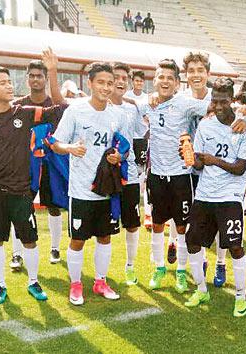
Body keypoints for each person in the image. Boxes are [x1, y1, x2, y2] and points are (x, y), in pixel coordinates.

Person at [139, 59, 246, 293]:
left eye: (170, 78)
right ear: (154, 80)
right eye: (161, 77)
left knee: (184, 226)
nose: (165, 81)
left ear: (178, 83)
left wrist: (245, 114)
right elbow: (124, 104)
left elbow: (222, 107)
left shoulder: (187, 103)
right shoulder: (147, 103)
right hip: (157, 174)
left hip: (185, 174)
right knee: (158, 223)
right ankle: (158, 268)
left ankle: (184, 270)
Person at [0, 66, 67, 305]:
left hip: (21, 190)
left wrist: (52, 72)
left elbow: (59, 110)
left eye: (10, 82)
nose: (9, 86)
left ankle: (33, 281)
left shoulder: (25, 113)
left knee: (29, 239)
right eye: (2, 83)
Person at [51, 62, 128, 305]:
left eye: (110, 83)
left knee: (105, 237)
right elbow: (56, 143)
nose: (106, 87)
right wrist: (70, 148)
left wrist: (119, 156)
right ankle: (75, 285)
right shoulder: (75, 110)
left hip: (106, 191)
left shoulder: (118, 114)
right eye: (101, 82)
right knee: (78, 239)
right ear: (91, 84)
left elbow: (123, 148)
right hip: (81, 190)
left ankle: (100, 281)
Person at [182, 78, 246, 317]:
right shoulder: (206, 125)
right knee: (192, 242)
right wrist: (192, 158)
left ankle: (241, 296)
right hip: (205, 194)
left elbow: (240, 167)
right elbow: (201, 163)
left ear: (231, 99)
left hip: (230, 197)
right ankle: (201, 289)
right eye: (215, 100)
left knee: (235, 246)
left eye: (223, 100)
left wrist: (214, 161)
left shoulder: (244, 127)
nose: (219, 105)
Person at [8, 60, 65, 268]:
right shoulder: (17, 106)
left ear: (45, 79)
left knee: (53, 207)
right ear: (27, 78)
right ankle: (17, 253)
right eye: (31, 75)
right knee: (20, 207)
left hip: (51, 162)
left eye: (39, 76)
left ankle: (55, 247)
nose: (35, 79)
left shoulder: (55, 104)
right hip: (25, 164)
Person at [107, 62, 148, 285]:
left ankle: (130, 266)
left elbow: (141, 133)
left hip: (129, 173)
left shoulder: (133, 109)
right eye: (117, 77)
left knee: (132, 223)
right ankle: (101, 272)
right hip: (104, 176)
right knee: (104, 226)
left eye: (125, 78)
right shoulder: (98, 107)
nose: (121, 81)